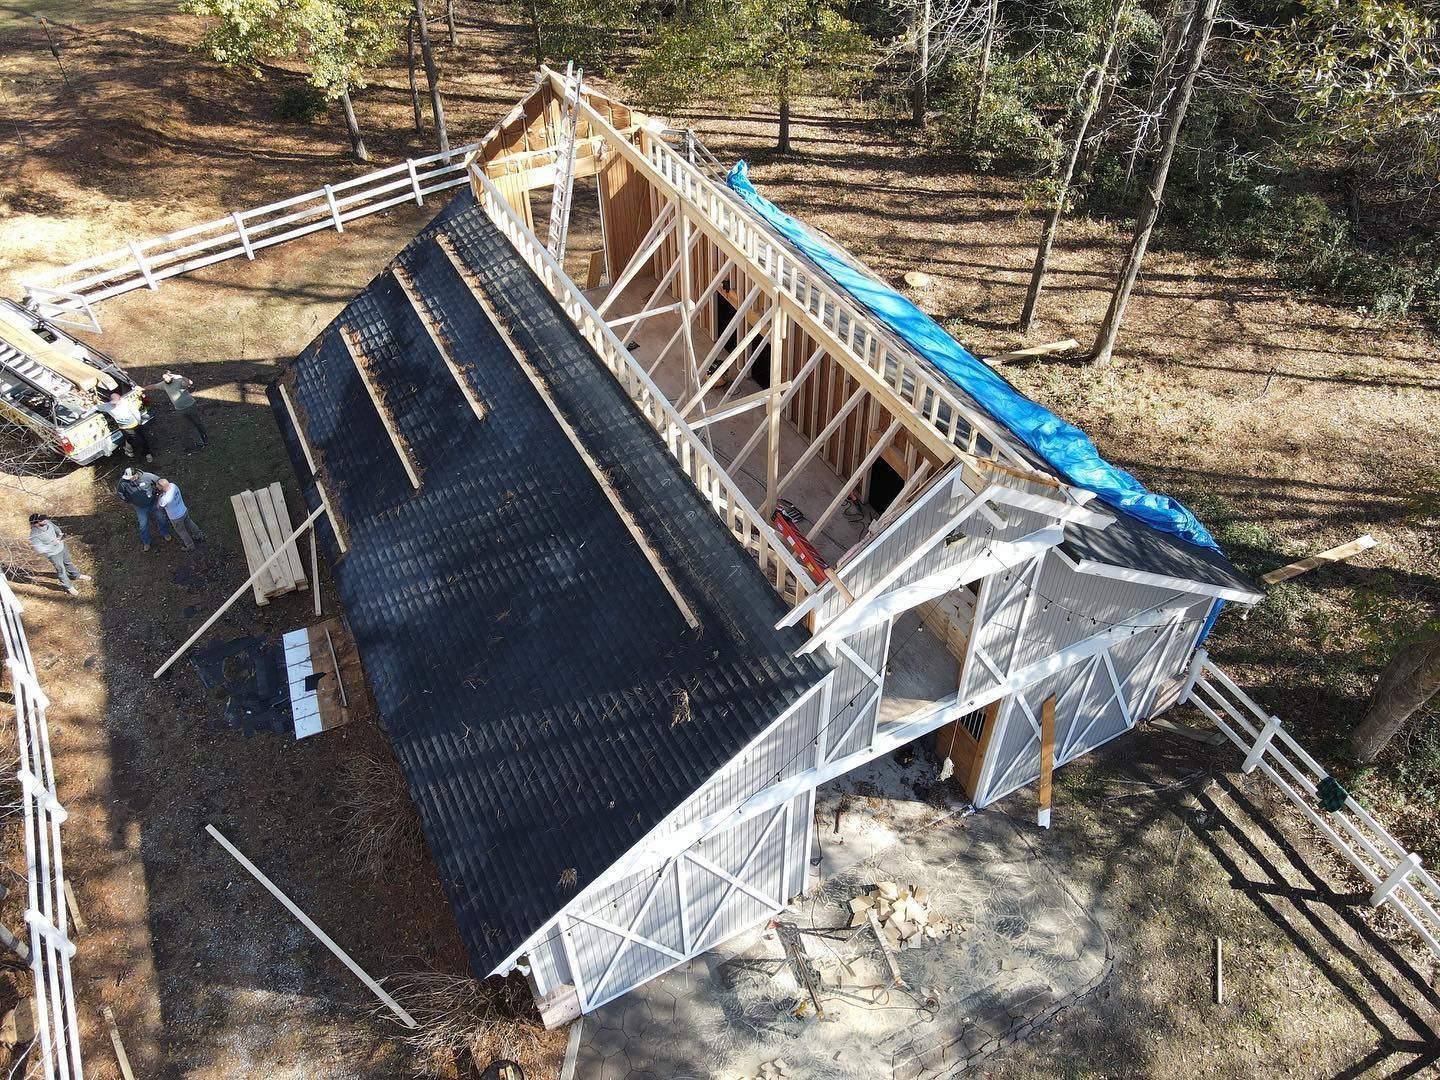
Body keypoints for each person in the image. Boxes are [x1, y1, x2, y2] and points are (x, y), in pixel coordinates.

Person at [27, 513, 90, 596]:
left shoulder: (47, 522)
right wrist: (53, 544)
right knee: (61, 570)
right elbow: (39, 549)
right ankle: (68, 586)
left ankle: (76, 575)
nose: (45, 520)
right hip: (53, 554)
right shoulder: (34, 535)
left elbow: (55, 527)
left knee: (68, 562)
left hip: (62, 547)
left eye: (44, 518)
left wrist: (59, 534)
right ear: (35, 524)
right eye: (41, 520)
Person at [145, 372, 206, 450]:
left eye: (167, 377)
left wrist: (181, 376)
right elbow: (153, 386)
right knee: (190, 427)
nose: (165, 379)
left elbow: (190, 382)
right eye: (164, 378)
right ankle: (199, 443)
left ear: (171, 376)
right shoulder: (164, 384)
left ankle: (204, 435)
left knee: (197, 422)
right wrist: (142, 388)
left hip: (190, 406)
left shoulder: (179, 381)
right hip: (180, 410)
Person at [116, 466, 172, 551]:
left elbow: (159, 481)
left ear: (135, 475)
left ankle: (165, 533)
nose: (128, 479)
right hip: (140, 508)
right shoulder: (123, 482)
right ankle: (146, 542)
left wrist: (158, 492)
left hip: (153, 503)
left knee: (161, 518)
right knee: (143, 525)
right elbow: (120, 493)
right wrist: (127, 500)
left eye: (130, 477)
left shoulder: (147, 476)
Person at [96, 391, 151, 461]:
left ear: (120, 399)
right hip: (126, 428)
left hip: (133, 425)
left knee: (137, 438)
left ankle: (131, 450)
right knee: (139, 439)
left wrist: (139, 421)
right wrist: (85, 414)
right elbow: (95, 407)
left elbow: (135, 412)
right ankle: (146, 454)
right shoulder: (108, 406)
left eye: (117, 403)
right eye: (114, 403)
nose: (116, 405)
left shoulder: (124, 403)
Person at [156, 478, 204, 550]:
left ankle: (190, 546)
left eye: (158, 486)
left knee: (182, 532)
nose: (157, 487)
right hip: (184, 511)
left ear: (162, 487)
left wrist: (159, 497)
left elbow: (159, 507)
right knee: (190, 523)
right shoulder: (173, 486)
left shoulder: (165, 498)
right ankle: (199, 535)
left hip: (176, 518)